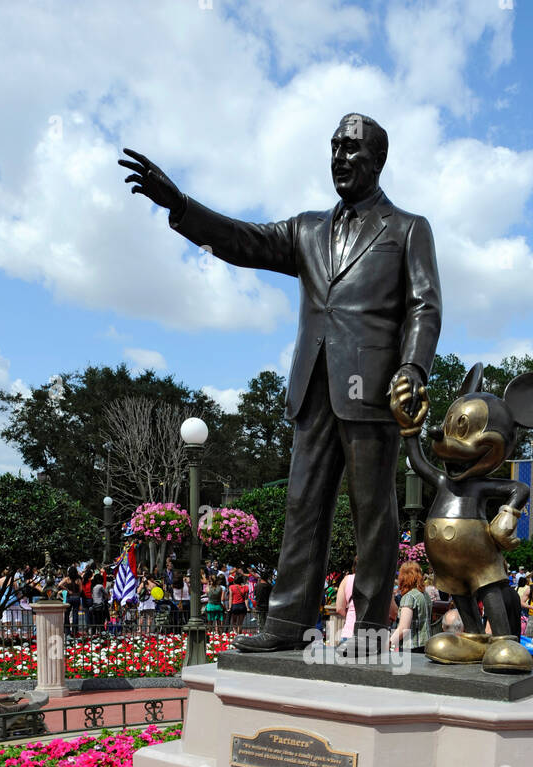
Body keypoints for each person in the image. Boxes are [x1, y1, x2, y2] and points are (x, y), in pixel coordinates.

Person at [120, 113, 442, 653]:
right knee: (302, 505)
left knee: (374, 513)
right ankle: (286, 625)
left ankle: (369, 630)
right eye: (334, 147)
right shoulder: (307, 229)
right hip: (312, 386)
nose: (340, 157)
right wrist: (180, 205)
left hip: (371, 390)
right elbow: (244, 240)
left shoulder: (408, 228)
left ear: (379, 160)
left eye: (353, 149)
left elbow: (424, 306)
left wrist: (412, 368)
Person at [389, 562, 430, 652]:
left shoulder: (409, 597)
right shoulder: (425, 595)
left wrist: (388, 643)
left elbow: (403, 628)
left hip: (411, 647)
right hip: (425, 645)